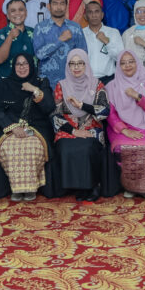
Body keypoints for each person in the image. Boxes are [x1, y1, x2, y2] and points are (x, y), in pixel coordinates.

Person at [106, 50, 145, 198]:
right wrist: (124, 130)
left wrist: (138, 96)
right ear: (118, 66)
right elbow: (110, 113)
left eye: (131, 61)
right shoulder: (111, 86)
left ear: (137, 63)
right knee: (123, 147)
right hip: (122, 126)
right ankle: (131, 187)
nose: (127, 65)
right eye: (123, 63)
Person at [0, 53, 55, 201]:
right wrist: (12, 127)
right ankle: (16, 189)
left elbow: (49, 107)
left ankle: (30, 188)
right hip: (10, 127)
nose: (22, 67)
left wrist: (34, 90)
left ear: (31, 65)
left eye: (25, 63)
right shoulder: (4, 84)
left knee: (32, 146)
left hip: (37, 127)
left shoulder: (41, 82)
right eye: (18, 64)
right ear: (13, 66)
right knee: (11, 146)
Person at [52, 49, 110, 201]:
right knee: (66, 146)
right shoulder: (61, 85)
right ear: (68, 66)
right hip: (68, 129)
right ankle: (79, 188)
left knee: (88, 146)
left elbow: (105, 112)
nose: (76, 67)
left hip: (92, 126)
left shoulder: (97, 84)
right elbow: (56, 115)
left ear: (86, 65)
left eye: (80, 63)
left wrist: (82, 105)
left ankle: (93, 186)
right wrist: (74, 131)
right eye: (72, 64)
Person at [33, 0, 87, 89]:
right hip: (46, 82)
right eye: (55, 3)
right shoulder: (40, 28)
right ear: (49, 6)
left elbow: (83, 55)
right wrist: (60, 40)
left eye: (62, 3)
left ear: (66, 6)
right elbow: (39, 55)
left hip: (72, 81)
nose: (58, 7)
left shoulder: (75, 28)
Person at [83, 0, 124, 85]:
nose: (94, 15)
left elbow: (120, 57)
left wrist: (106, 41)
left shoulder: (113, 32)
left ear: (102, 15)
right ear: (85, 16)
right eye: (90, 12)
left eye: (97, 12)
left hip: (109, 80)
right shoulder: (81, 34)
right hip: (86, 80)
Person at [0, 0, 34, 78]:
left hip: (31, 81)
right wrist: (10, 37)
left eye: (21, 10)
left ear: (26, 13)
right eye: (13, 11)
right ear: (7, 15)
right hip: (8, 81)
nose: (17, 13)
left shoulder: (34, 32)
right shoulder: (0, 34)